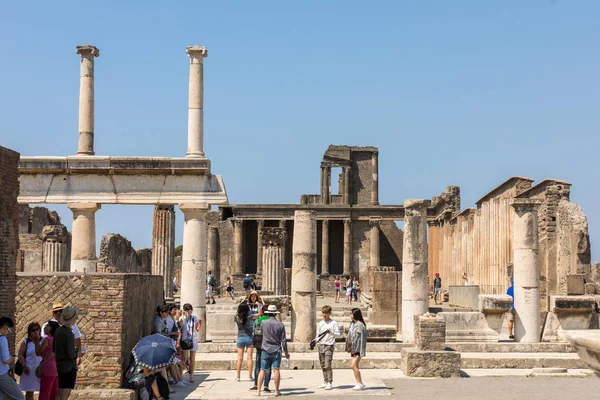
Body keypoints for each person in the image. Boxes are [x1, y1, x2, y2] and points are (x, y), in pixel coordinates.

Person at [256, 305, 289, 397]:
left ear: (268, 313)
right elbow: (283, 340)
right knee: (276, 370)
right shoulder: (280, 325)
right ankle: (277, 390)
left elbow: (262, 334)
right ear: (275, 314)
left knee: (262, 370)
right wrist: (286, 352)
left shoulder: (263, 323)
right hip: (276, 349)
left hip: (265, 349)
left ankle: (258, 390)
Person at [54, 306, 78, 400]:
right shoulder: (69, 333)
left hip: (59, 365)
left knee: (59, 393)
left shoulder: (58, 331)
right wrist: (77, 353)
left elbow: (54, 348)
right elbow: (71, 354)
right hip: (68, 367)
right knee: (65, 393)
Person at [316, 305, 340, 390]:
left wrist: (331, 333)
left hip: (329, 345)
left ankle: (330, 382)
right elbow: (318, 335)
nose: (324, 315)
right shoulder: (320, 323)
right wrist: (315, 340)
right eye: (323, 313)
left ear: (329, 313)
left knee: (327, 364)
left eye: (326, 313)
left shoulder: (333, 323)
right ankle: (325, 381)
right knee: (322, 364)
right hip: (321, 345)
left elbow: (338, 334)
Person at [0, 316, 24, 400]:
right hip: (2, 374)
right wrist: (12, 358)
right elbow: (6, 360)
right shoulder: (2, 339)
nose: (8, 333)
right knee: (20, 397)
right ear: (4, 328)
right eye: (8, 330)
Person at [18, 322, 43, 400]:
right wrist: (24, 366)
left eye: (37, 329)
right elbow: (20, 354)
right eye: (33, 330)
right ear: (30, 332)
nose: (35, 331)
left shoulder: (44, 341)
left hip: (41, 370)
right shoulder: (26, 342)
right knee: (29, 393)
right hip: (28, 370)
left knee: (43, 391)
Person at [36, 320, 60, 400]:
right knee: (53, 393)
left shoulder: (47, 340)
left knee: (45, 393)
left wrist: (36, 342)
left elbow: (38, 352)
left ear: (51, 328)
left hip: (47, 369)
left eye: (48, 326)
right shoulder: (57, 340)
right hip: (56, 369)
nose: (45, 327)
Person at [249, 309, 271, 393]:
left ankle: (256, 385)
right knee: (267, 366)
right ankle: (266, 386)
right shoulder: (269, 321)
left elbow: (253, 331)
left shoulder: (257, 320)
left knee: (258, 365)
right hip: (268, 345)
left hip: (258, 344)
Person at [234, 303, 257, 382]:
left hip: (240, 338)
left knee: (239, 358)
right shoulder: (250, 317)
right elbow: (260, 314)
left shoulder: (236, 317)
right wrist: (257, 305)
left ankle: (238, 376)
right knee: (249, 358)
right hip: (249, 338)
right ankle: (250, 376)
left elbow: (237, 314)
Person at [345, 308, 367, 391]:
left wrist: (362, 350)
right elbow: (350, 337)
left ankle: (360, 383)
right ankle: (359, 383)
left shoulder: (360, 325)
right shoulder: (352, 324)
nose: (350, 315)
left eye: (351, 313)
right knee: (355, 366)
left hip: (358, 348)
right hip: (353, 347)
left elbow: (363, 338)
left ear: (355, 314)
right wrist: (348, 347)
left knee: (353, 365)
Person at [180, 303, 201, 382]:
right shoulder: (182, 318)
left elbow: (197, 329)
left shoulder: (194, 318)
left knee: (192, 359)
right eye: (187, 310)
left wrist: (200, 324)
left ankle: (191, 375)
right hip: (185, 339)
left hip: (192, 339)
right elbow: (180, 326)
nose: (189, 312)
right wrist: (183, 316)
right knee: (184, 358)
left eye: (190, 310)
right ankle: (180, 374)